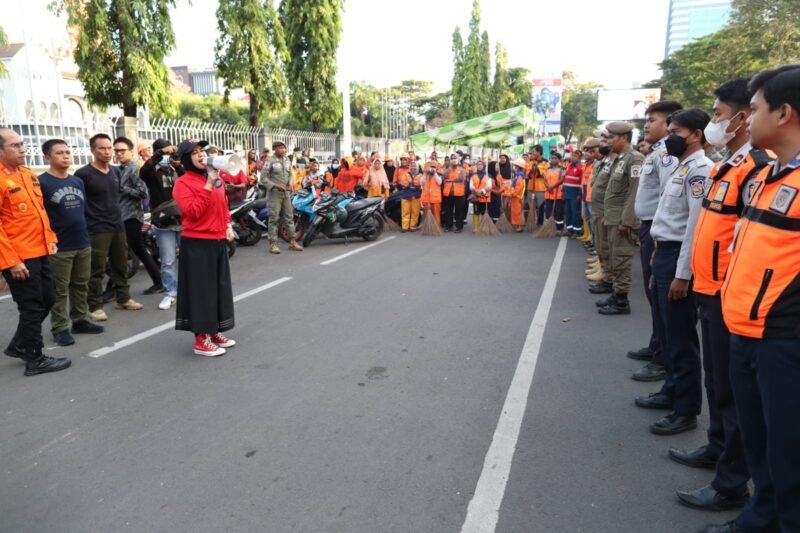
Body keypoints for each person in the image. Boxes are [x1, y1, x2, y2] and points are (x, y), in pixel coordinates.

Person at [703, 65, 800, 533]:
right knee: (761, 445)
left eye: (755, 109)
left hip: (783, 340)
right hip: (745, 331)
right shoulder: (770, 175)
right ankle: (757, 518)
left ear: (784, 113)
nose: (746, 118)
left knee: (788, 455)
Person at [673, 79, 767, 515]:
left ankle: (731, 481)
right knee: (718, 382)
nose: (713, 122)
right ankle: (717, 448)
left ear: (742, 118)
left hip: (732, 295)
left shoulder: (757, 167)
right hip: (712, 289)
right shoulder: (731, 163)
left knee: (731, 393)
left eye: (716, 115)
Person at [638, 109, 712, 437]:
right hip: (665, 252)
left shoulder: (700, 171)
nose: (670, 136)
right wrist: (657, 258)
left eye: (676, 130)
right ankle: (671, 389)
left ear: (695, 134)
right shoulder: (683, 167)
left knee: (681, 337)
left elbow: (694, 228)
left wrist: (683, 273)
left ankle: (686, 409)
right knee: (668, 332)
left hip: (679, 257)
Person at [0, 128, 72, 376]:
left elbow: (40, 212)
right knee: (31, 307)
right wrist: (11, 262)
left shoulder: (28, 175)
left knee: (48, 298)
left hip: (39, 249)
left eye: (23, 144)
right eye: (15, 146)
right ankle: (35, 358)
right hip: (19, 256)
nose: (22, 150)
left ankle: (21, 344)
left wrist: (50, 239)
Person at [630, 100, 684, 382]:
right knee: (653, 294)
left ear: (668, 124)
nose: (646, 125)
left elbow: (668, 197)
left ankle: (663, 359)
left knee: (660, 296)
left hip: (658, 229)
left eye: (652, 120)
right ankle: (656, 345)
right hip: (649, 226)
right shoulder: (656, 153)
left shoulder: (668, 155)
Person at [171, 139, 236, 357]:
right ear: (186, 159)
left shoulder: (216, 178)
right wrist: (208, 185)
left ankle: (214, 331)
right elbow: (193, 211)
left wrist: (227, 224)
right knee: (202, 292)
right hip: (197, 242)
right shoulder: (183, 183)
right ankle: (201, 339)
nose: (201, 155)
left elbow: (223, 205)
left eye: (202, 151)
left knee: (218, 289)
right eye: (195, 153)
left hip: (217, 240)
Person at [38, 139, 105, 347]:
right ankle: (60, 328)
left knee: (81, 284)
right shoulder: (42, 183)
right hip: (59, 246)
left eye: (68, 152)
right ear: (47, 158)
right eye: (59, 153)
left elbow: (81, 210)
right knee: (59, 290)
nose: (66, 156)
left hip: (82, 242)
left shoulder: (76, 181)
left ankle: (79, 320)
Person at [75, 134, 143, 322]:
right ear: (92, 150)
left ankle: (123, 298)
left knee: (121, 264)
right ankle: (95, 306)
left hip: (117, 224)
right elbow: (79, 203)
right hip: (96, 228)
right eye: (102, 148)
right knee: (96, 269)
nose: (107, 152)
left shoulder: (115, 171)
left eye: (109, 148)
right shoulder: (83, 174)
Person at [599, 122, 644, 316]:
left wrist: (627, 221)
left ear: (624, 137)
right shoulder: (620, 159)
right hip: (613, 218)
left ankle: (621, 300)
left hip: (621, 221)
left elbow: (634, 192)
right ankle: (616, 293)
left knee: (621, 258)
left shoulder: (634, 159)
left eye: (611, 137)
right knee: (614, 256)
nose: (608, 141)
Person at [115, 136, 163, 296]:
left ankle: (113, 289)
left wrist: (124, 189)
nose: (119, 154)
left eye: (122, 151)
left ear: (131, 151)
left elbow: (143, 192)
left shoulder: (134, 168)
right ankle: (159, 282)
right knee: (140, 251)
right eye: (117, 151)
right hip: (122, 216)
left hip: (132, 217)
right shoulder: (118, 169)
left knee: (123, 252)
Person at [140, 139, 181, 312]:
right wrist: (160, 153)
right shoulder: (151, 171)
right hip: (163, 222)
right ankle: (170, 293)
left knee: (190, 259)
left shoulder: (176, 170)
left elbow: (189, 177)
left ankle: (189, 291)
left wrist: (178, 163)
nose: (167, 157)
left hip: (184, 220)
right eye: (164, 153)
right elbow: (144, 172)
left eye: (169, 153)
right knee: (168, 260)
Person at [260, 141, 303, 255]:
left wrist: (290, 184)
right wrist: (275, 185)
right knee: (273, 219)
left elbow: (289, 175)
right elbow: (263, 178)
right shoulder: (270, 161)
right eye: (280, 148)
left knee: (289, 218)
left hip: (286, 193)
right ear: (275, 149)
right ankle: (273, 244)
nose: (283, 150)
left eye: (284, 148)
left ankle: (292, 242)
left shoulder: (287, 160)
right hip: (274, 193)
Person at [587, 132, 617, 294]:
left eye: (594, 150)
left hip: (606, 211)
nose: (592, 154)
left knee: (606, 245)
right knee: (600, 243)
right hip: (598, 209)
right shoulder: (604, 162)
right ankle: (603, 270)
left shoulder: (615, 161)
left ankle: (608, 277)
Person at [581, 139, 601, 248]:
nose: (587, 153)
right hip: (586, 196)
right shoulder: (587, 165)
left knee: (594, 223)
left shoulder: (596, 164)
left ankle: (595, 245)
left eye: (590, 151)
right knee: (589, 220)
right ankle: (593, 241)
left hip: (593, 197)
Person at [395, 160, 422, 232]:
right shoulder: (406, 174)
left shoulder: (420, 176)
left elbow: (421, 184)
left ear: (417, 167)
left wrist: (413, 184)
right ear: (410, 167)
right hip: (406, 195)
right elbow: (403, 183)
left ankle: (413, 227)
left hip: (416, 196)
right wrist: (411, 184)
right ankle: (405, 227)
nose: (413, 167)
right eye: (412, 166)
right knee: (405, 212)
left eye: (415, 166)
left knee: (415, 212)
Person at [442, 157, 467, 233]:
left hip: (459, 193)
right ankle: (449, 226)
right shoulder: (447, 170)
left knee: (459, 211)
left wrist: (449, 180)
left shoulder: (462, 170)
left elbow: (461, 179)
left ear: (458, 161)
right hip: (448, 193)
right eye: (452, 159)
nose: (453, 161)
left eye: (455, 159)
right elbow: (444, 177)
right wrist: (452, 178)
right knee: (448, 211)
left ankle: (459, 227)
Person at [562, 149, 584, 236]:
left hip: (575, 194)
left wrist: (579, 194)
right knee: (568, 212)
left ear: (579, 158)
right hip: (567, 193)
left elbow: (582, 182)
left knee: (576, 213)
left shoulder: (581, 168)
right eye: (572, 156)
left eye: (575, 156)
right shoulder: (569, 166)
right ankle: (569, 229)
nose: (572, 157)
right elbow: (565, 180)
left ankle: (577, 231)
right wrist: (563, 191)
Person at [543, 152, 565, 231]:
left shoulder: (562, 169)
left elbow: (562, 179)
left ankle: (559, 228)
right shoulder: (548, 169)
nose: (553, 160)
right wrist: (548, 187)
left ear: (559, 159)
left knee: (558, 211)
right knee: (548, 210)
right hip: (549, 193)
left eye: (555, 158)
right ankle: (549, 227)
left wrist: (552, 187)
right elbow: (545, 180)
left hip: (557, 193)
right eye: (552, 158)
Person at [506, 159, 527, 231]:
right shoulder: (518, 174)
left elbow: (519, 186)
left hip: (517, 196)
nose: (514, 166)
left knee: (517, 211)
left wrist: (512, 193)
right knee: (516, 211)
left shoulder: (519, 175)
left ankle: (520, 226)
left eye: (515, 165)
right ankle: (518, 225)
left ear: (518, 166)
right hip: (516, 196)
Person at [470, 160, 492, 227]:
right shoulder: (473, 175)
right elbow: (471, 186)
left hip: (485, 197)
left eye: (481, 164)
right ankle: (476, 227)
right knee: (476, 212)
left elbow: (489, 186)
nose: (479, 166)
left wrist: (482, 191)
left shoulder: (488, 175)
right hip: (476, 197)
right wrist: (476, 191)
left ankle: (482, 227)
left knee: (483, 212)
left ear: (484, 166)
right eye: (478, 164)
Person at [490, 154, 511, 222]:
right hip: (496, 191)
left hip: (506, 189)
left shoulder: (509, 167)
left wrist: (503, 188)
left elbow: (509, 180)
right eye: (501, 158)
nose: (502, 159)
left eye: (503, 158)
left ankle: (505, 218)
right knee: (496, 206)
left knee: (504, 205)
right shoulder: (493, 174)